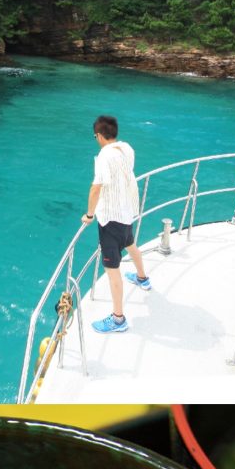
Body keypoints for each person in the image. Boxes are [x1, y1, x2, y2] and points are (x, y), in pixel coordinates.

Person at [81, 114, 150, 334]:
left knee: (112, 270)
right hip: (126, 211)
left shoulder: (104, 156)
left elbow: (96, 188)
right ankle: (142, 278)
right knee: (130, 243)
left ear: (99, 136)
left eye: (95, 137)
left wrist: (89, 214)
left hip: (111, 218)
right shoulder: (126, 148)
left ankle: (118, 319)